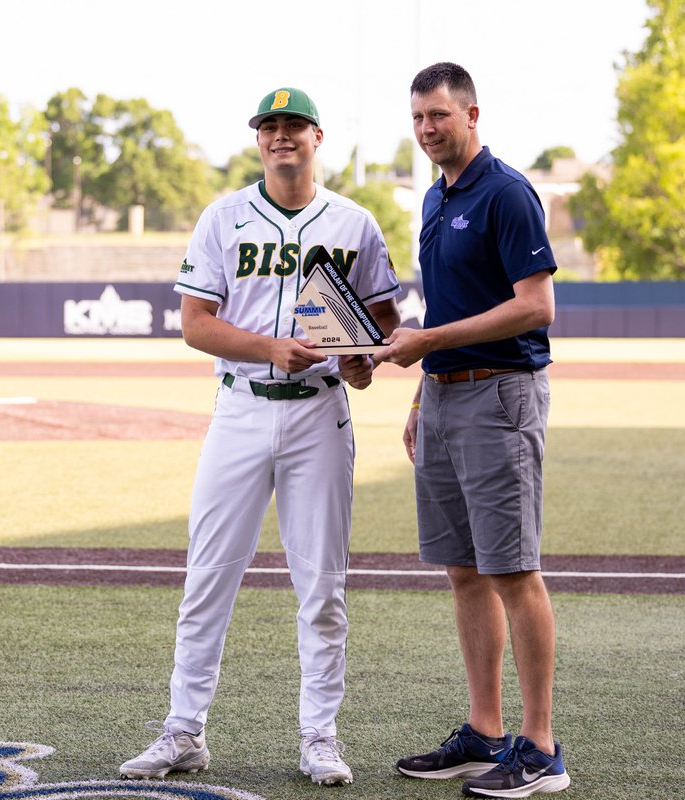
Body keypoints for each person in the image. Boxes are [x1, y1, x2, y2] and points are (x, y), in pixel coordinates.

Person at [119, 86, 401, 787]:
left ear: (317, 137)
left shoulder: (355, 223)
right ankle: (183, 732)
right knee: (209, 576)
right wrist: (268, 348)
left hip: (319, 414)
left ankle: (320, 737)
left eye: (294, 126)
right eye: (270, 127)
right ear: (258, 140)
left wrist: (362, 361)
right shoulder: (224, 217)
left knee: (322, 587)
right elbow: (194, 324)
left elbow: (382, 327)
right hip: (240, 408)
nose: (282, 137)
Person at [373, 62, 569, 798]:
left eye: (439, 117)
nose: (427, 129)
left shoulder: (507, 192)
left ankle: (541, 748)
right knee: (463, 569)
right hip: (448, 397)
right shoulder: (435, 196)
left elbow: (536, 307)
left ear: (472, 115)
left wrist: (431, 342)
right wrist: (425, 391)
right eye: (419, 117)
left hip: (500, 397)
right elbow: (446, 302)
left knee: (513, 571)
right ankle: (484, 732)